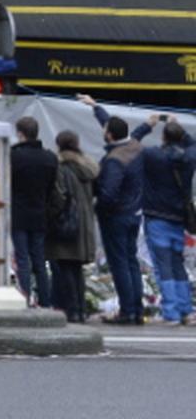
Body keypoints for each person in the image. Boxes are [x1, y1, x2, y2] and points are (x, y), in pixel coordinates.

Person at [79, 95, 146, 325]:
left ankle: (127, 311)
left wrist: (99, 208)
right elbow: (115, 128)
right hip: (134, 213)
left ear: (109, 135)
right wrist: (95, 107)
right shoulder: (134, 146)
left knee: (119, 265)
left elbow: (108, 193)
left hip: (116, 217)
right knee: (131, 262)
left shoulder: (115, 160)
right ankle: (137, 309)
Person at [133, 114, 193, 324]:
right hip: (178, 217)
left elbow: (131, 143)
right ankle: (186, 309)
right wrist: (177, 127)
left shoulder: (153, 155)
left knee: (163, 265)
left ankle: (172, 312)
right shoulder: (189, 157)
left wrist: (147, 125)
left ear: (163, 137)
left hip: (156, 216)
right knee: (177, 264)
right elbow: (192, 144)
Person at [46, 129, 98, 323]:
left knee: (65, 264)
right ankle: (81, 309)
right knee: (76, 268)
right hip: (84, 221)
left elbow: (59, 196)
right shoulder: (88, 167)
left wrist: (50, 216)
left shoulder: (61, 167)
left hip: (67, 221)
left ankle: (72, 309)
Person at [9, 116, 60, 308]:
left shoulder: (14, 157)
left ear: (20, 134)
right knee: (39, 260)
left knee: (22, 259)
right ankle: (45, 301)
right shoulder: (49, 157)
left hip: (19, 213)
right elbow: (52, 188)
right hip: (40, 213)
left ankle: (25, 298)